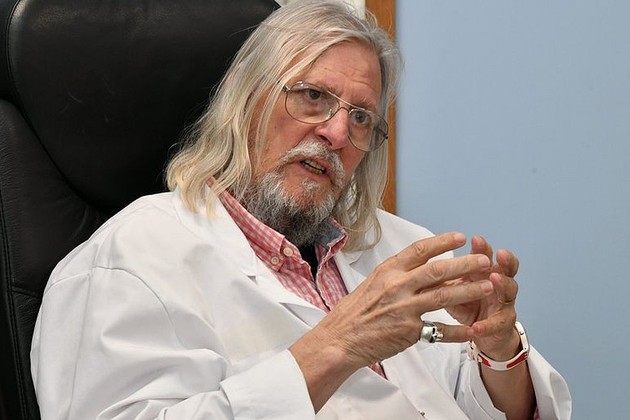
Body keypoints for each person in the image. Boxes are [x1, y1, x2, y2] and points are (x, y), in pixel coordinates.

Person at [30, 1, 571, 419]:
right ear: (246, 99)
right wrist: (339, 344)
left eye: (361, 118)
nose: (336, 132)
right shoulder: (129, 259)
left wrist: (499, 349)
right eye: (313, 96)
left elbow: (481, 402)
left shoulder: (398, 250)